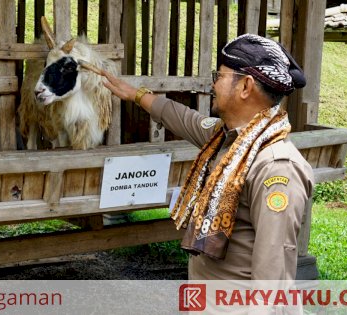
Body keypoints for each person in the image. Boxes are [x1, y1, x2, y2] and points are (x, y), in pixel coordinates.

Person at [101, 34, 314, 280]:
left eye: (219, 77)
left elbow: (273, 271)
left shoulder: (277, 167)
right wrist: (135, 95)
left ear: (245, 86)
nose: (212, 85)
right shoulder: (228, 138)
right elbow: (183, 118)